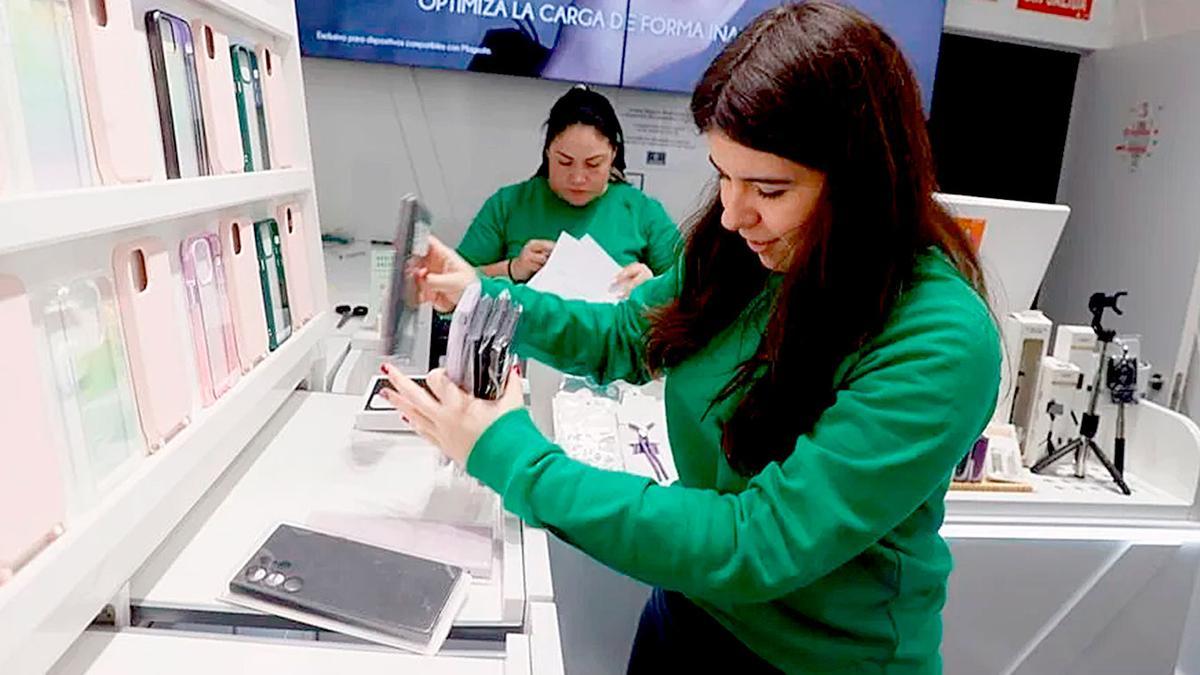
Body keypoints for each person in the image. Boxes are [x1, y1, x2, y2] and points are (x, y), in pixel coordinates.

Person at [384, 3, 1000, 673]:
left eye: (767, 187)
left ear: (863, 177)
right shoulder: (742, 253)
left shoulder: (940, 336)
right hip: (687, 616)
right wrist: (482, 294)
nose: (735, 214)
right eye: (724, 176)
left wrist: (508, 453)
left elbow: (753, 543)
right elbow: (624, 331)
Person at [456, 86, 681, 297]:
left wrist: (652, 286)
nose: (578, 178)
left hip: (611, 338)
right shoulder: (509, 204)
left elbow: (694, 286)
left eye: (593, 164)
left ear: (613, 154)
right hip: (525, 337)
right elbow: (452, 280)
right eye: (564, 162)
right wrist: (512, 269)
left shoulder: (642, 211)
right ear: (547, 153)